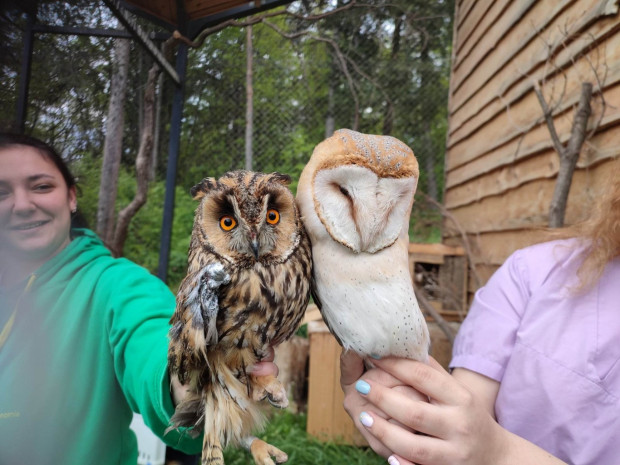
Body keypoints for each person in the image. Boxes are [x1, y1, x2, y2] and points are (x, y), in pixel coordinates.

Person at [0, 133, 278, 464]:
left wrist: (188, 380)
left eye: (41, 186)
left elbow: (150, 336)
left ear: (71, 197)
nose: (21, 204)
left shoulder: (114, 284)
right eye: (2, 192)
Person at [340, 160, 620, 465]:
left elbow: (473, 440)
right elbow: (465, 413)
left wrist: (497, 452)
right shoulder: (533, 271)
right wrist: (414, 416)